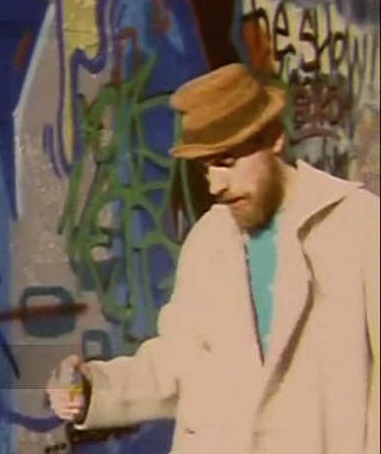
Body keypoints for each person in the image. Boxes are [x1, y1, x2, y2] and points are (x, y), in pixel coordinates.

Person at [46, 63, 380, 454]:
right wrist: (92, 390)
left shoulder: (358, 225)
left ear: (273, 138)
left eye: (227, 160)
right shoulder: (210, 239)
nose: (215, 184)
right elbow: (177, 362)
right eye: (206, 166)